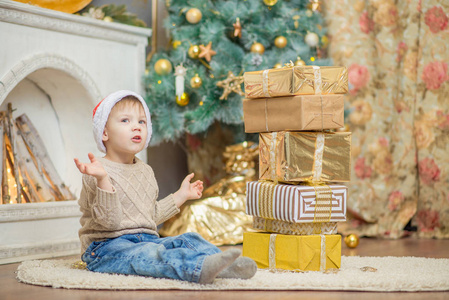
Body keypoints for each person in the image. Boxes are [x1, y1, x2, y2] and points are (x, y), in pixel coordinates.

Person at [74, 90, 257, 284]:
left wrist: (182, 195)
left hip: (146, 239)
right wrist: (103, 180)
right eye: (126, 121)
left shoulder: (145, 171)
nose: (136, 127)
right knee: (154, 254)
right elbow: (110, 224)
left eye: (141, 122)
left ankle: (225, 266)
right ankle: (197, 268)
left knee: (187, 239)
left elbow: (149, 216)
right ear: (104, 132)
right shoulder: (96, 172)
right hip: (106, 248)